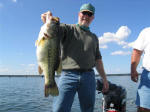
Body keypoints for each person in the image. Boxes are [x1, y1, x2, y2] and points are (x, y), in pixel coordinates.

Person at [41, 3, 109, 112]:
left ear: (93, 18)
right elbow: (53, 30)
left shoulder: (94, 37)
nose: (86, 16)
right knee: (59, 108)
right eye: (84, 13)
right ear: (79, 14)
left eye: (89, 14)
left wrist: (104, 79)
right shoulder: (68, 29)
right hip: (68, 75)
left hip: (89, 76)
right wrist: (47, 19)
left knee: (88, 109)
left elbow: (98, 60)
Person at [131, 27, 150, 112]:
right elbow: (137, 51)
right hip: (148, 75)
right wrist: (133, 70)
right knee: (143, 108)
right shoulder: (146, 31)